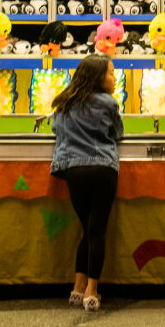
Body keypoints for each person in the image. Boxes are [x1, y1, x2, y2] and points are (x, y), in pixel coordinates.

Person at [50, 53, 124, 312]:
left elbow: (55, 130)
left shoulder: (63, 103)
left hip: (74, 171)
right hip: (103, 169)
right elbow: (118, 133)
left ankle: (77, 288)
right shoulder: (108, 103)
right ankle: (92, 290)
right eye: (111, 73)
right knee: (97, 230)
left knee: (87, 229)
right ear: (97, 77)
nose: (114, 78)